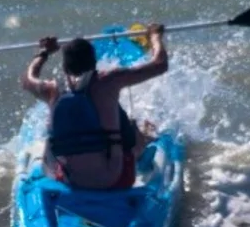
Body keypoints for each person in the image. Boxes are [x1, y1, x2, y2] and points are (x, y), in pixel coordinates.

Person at [20, 23, 167, 190]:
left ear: (64, 67)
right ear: (94, 62)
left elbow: (27, 80)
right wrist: (155, 36)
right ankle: (143, 141)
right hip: (117, 179)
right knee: (126, 123)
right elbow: (160, 65)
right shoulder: (109, 81)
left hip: (70, 181)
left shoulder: (51, 90)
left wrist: (44, 53)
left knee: (57, 128)